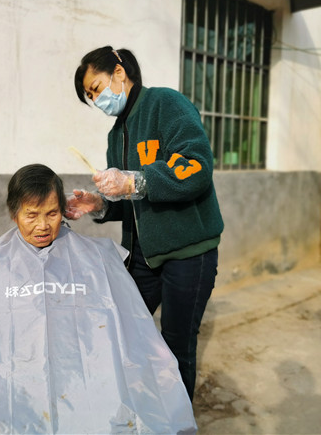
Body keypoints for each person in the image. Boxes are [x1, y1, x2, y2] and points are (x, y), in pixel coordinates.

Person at [0, 164, 196, 434]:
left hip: (82, 383)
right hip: (15, 389)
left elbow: (126, 331)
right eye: (31, 215)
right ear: (14, 213)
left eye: (52, 213)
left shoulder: (96, 259)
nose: (42, 226)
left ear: (64, 210)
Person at [66, 46, 224, 400]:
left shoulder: (166, 104)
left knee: (176, 344)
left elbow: (197, 166)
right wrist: (99, 204)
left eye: (97, 88)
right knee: (125, 330)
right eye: (90, 96)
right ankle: (139, 407)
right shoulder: (116, 135)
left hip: (188, 253)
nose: (97, 100)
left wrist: (135, 181)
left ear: (119, 73)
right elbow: (130, 204)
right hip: (143, 257)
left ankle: (178, 419)